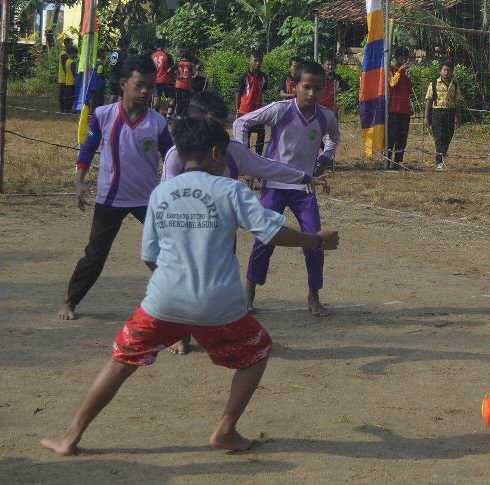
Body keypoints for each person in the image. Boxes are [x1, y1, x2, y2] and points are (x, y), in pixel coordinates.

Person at [40, 116, 341, 457]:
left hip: (164, 300)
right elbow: (270, 231)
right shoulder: (230, 190)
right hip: (218, 304)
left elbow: (149, 255)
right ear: (217, 153)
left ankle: (71, 434)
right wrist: (314, 241)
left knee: (121, 360)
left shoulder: (161, 193)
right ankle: (226, 429)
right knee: (256, 354)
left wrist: (172, 285)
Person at [161, 91, 330, 355]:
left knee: (219, 284)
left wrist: (304, 178)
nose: (222, 133)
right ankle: (180, 332)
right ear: (196, 124)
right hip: (185, 233)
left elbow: (267, 167)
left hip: (221, 235)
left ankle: (218, 331)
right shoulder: (176, 156)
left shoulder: (233, 153)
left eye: (223, 125)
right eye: (215, 126)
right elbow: (166, 200)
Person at [57, 56, 173, 321]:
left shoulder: (158, 123)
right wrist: (79, 181)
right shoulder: (103, 115)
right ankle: (70, 301)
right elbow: (87, 149)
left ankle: (174, 304)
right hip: (110, 198)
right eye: (140, 85)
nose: (145, 92)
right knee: (95, 255)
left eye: (150, 87)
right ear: (123, 84)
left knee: (167, 252)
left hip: (148, 200)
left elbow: (172, 157)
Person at [233, 61, 340, 317]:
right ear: (294, 87)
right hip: (274, 186)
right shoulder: (280, 110)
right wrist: (243, 158)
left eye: (317, 88)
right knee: (265, 238)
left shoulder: (326, 116)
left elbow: (333, 138)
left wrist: (326, 158)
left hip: (303, 188)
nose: (312, 94)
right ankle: (248, 294)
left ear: (324, 89)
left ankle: (314, 297)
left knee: (316, 240)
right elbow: (242, 123)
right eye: (306, 87)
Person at [424, 60, 462, 171]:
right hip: (437, 113)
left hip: (450, 112)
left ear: (452, 72)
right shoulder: (434, 84)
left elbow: (458, 101)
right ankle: (439, 161)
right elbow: (428, 101)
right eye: (444, 70)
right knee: (439, 137)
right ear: (440, 71)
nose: (446, 72)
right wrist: (426, 117)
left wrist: (457, 117)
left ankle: (442, 154)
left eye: (449, 70)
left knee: (448, 136)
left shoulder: (454, 84)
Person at [235, 53, 269, 155]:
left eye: (260, 61)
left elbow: (262, 90)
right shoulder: (244, 76)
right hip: (244, 111)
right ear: (249, 61)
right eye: (255, 60)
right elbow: (238, 92)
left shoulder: (264, 77)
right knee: (246, 135)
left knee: (261, 133)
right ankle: (246, 158)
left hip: (258, 111)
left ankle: (259, 157)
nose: (258, 63)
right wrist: (237, 110)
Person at [385, 48, 412, 170]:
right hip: (393, 109)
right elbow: (392, 83)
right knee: (392, 137)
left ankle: (397, 162)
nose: (404, 60)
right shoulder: (390, 69)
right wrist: (400, 71)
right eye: (402, 57)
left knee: (402, 138)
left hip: (404, 110)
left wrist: (408, 76)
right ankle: (387, 160)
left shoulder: (405, 72)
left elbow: (409, 90)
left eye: (405, 57)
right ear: (397, 57)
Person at [151, 44, 174, 110]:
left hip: (155, 79)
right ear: (163, 47)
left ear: (156, 47)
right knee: (168, 97)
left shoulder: (152, 55)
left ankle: (154, 111)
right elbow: (170, 69)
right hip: (166, 79)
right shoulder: (167, 55)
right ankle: (166, 113)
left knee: (156, 96)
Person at [173, 51, 195, 118]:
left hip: (178, 84)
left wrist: (176, 76)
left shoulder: (178, 63)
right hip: (186, 85)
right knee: (185, 101)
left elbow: (170, 71)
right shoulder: (190, 64)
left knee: (178, 100)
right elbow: (194, 74)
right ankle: (183, 114)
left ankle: (177, 114)